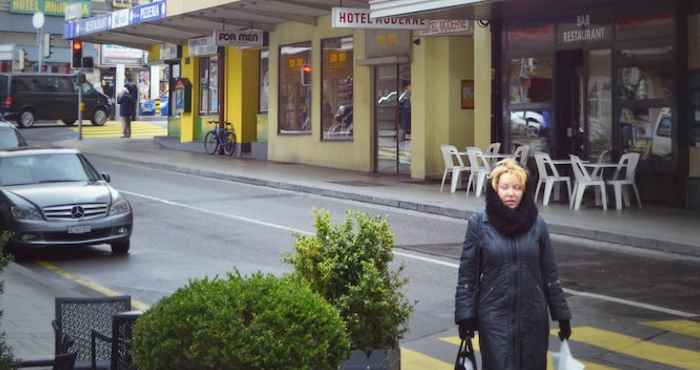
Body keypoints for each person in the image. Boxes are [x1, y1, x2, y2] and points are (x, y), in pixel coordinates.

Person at [455, 158, 571, 370]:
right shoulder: (479, 224)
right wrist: (465, 316)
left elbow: (550, 274)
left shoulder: (537, 224)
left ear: (524, 191)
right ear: (495, 189)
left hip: (533, 319)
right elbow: (467, 276)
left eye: (517, 187)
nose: (511, 193)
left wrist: (562, 315)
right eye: (505, 187)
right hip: (494, 318)